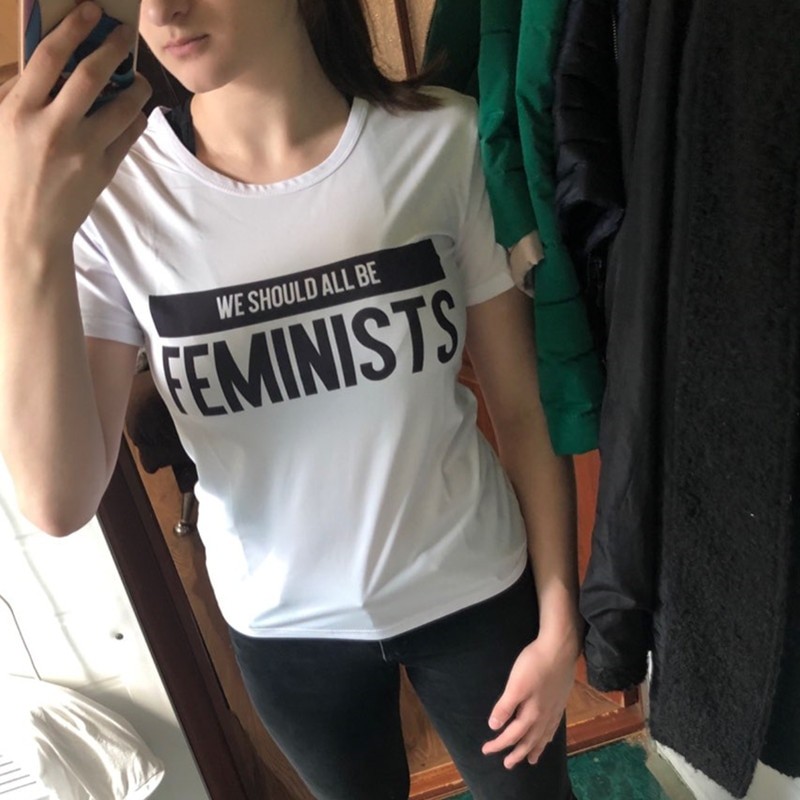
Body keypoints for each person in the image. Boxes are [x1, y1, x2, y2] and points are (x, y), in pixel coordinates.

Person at [0, 1, 581, 798]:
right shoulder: (114, 198)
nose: (162, 10)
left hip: (476, 592)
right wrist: (24, 239)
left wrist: (559, 623)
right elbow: (59, 501)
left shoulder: (443, 140)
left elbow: (522, 409)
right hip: (286, 634)